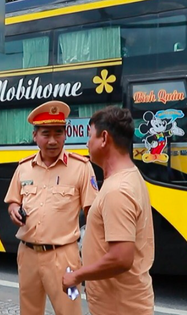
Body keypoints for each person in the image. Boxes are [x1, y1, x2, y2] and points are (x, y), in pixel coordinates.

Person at [4, 100, 98, 315]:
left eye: (59, 133)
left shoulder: (81, 167)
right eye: (46, 134)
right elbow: (12, 201)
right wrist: (13, 210)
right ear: (35, 136)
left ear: (66, 134)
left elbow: (93, 213)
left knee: (69, 311)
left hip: (64, 256)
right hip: (27, 254)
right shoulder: (24, 168)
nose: (53, 140)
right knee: (29, 311)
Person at [62, 106, 154, 315]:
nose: (87, 143)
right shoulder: (129, 175)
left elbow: (121, 258)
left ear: (103, 138)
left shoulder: (117, 190)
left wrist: (77, 275)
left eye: (89, 136)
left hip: (119, 307)